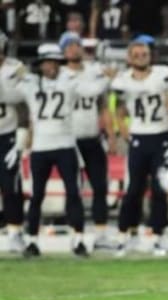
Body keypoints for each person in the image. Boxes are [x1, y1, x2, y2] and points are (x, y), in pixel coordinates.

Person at [11, 44, 91, 257]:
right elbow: (9, 89)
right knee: (37, 195)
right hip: (40, 146)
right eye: (48, 62)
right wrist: (17, 70)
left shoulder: (69, 81)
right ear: (41, 65)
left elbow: (91, 89)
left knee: (73, 193)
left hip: (65, 145)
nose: (52, 66)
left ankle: (79, 240)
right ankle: (32, 241)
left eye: (55, 62)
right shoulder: (30, 83)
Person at [110, 40, 168, 256]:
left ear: (150, 55)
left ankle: (158, 236)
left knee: (159, 188)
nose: (141, 57)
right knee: (134, 189)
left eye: (144, 53)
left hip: (162, 136)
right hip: (138, 137)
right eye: (136, 54)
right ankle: (125, 234)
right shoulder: (122, 80)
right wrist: (123, 132)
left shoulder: (163, 75)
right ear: (129, 57)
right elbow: (118, 110)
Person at [58, 31, 116, 251]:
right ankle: (77, 234)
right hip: (68, 139)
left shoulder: (93, 72)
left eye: (76, 44)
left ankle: (100, 234)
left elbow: (103, 106)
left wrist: (111, 135)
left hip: (92, 137)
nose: (74, 48)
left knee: (100, 186)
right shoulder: (59, 74)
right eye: (69, 45)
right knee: (74, 189)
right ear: (63, 51)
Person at [0, 30, 27, 253]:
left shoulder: (16, 68)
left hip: (8, 135)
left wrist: (21, 139)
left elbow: (25, 100)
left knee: (11, 186)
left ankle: (15, 233)